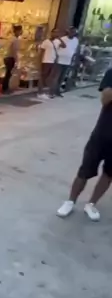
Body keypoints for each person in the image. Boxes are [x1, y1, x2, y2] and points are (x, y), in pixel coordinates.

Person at [57, 67, 112, 221]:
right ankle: (70, 201)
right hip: (102, 134)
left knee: (109, 174)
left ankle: (91, 204)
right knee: (85, 170)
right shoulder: (111, 73)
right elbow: (105, 99)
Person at [51, 26, 79, 97]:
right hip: (59, 60)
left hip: (67, 61)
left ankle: (57, 91)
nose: (72, 33)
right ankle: (52, 91)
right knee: (56, 77)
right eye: (71, 32)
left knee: (62, 77)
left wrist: (73, 59)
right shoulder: (63, 39)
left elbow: (74, 50)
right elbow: (56, 48)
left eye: (74, 32)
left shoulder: (76, 40)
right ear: (68, 32)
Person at [37, 28, 60, 99]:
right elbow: (41, 52)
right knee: (43, 77)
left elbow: (64, 46)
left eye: (57, 33)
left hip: (53, 62)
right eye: (54, 32)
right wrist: (40, 62)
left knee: (49, 77)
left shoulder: (57, 41)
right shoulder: (46, 41)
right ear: (51, 33)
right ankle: (40, 93)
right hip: (46, 61)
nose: (55, 34)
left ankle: (44, 92)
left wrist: (59, 38)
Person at [2, 24, 22, 93]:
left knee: (8, 73)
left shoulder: (11, 38)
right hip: (10, 58)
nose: (21, 32)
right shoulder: (15, 40)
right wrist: (17, 60)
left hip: (7, 57)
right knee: (8, 74)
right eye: (20, 31)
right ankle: (5, 88)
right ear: (17, 31)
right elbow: (15, 51)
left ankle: (5, 87)